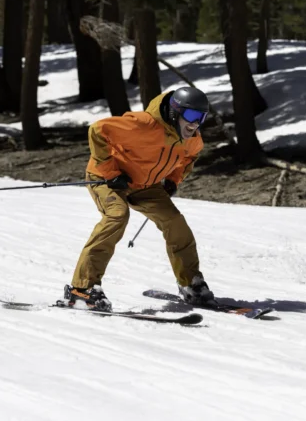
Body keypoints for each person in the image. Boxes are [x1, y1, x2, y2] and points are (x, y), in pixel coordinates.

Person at [62, 87, 216, 311]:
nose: (195, 124)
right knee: (117, 216)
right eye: (191, 116)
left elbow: (190, 156)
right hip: (108, 179)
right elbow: (98, 130)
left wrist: (173, 179)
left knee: (175, 223)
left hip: (145, 185)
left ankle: (190, 283)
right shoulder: (143, 124)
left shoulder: (192, 139)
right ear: (174, 112)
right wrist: (111, 172)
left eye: (201, 118)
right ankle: (81, 289)